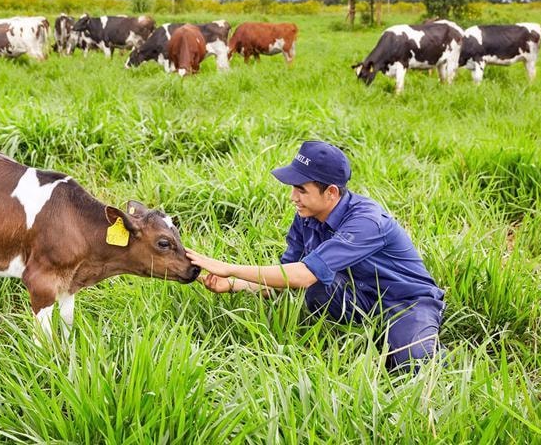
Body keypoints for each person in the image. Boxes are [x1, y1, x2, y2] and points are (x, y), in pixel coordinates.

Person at [185, 140, 445, 371]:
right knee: (317, 285)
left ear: (331, 192)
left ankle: (412, 344)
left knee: (415, 365)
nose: (292, 197)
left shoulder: (366, 221)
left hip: (405, 301)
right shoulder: (306, 217)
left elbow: (301, 275)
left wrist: (229, 267)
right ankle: (361, 339)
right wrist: (230, 285)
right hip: (358, 298)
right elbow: (285, 279)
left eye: (301, 189)